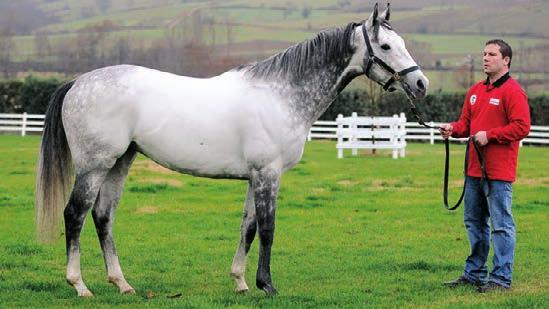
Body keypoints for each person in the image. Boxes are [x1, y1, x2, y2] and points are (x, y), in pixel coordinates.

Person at [440, 39, 530, 293]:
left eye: (492, 54)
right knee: (474, 223)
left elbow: (522, 127)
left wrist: (490, 135)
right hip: (473, 170)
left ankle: (501, 279)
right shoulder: (475, 91)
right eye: (484, 54)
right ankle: (474, 273)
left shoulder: (513, 91)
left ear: (506, 60)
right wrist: (452, 129)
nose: (485, 58)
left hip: (498, 172)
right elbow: (465, 124)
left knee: (501, 225)